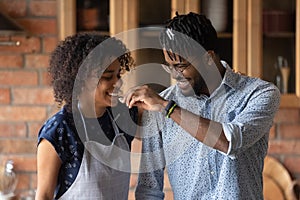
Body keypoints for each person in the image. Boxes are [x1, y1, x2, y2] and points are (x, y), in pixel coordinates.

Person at [124, 12, 281, 199]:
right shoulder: (159, 106)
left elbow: (229, 142)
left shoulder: (258, 94)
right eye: (169, 66)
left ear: (208, 57)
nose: (175, 75)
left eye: (181, 66)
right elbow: (149, 188)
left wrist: (169, 108)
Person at [35, 32, 138, 199]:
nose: (118, 83)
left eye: (119, 75)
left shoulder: (124, 117)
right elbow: (44, 196)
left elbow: (162, 133)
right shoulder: (60, 129)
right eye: (107, 77)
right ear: (81, 79)